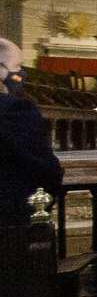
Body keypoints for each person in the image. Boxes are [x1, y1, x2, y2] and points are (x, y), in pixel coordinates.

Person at [0, 39, 63, 227]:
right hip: (9, 219)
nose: (20, 74)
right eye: (17, 66)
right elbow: (44, 167)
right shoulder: (14, 110)